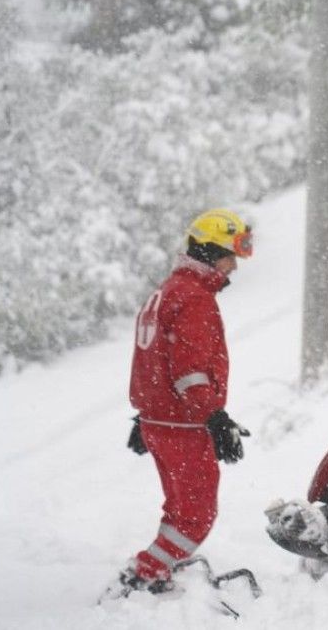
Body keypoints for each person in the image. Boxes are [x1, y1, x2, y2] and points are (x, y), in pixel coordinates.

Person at [105, 208, 254, 598]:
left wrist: (146, 414)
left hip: (161, 422)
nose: (234, 266)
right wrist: (216, 417)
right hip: (184, 425)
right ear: (210, 251)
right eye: (230, 255)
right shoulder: (195, 300)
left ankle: (158, 569)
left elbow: (151, 362)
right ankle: (142, 574)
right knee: (197, 516)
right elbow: (189, 371)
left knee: (179, 510)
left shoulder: (165, 292)